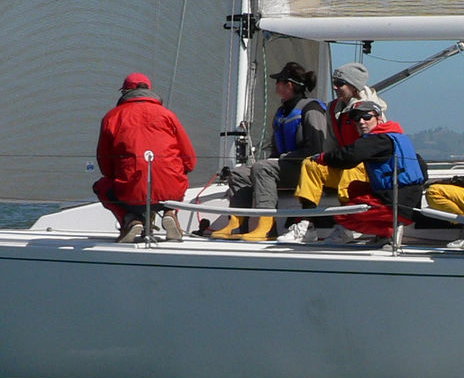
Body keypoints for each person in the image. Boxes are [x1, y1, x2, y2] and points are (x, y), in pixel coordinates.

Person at [282, 95, 426, 245]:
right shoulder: (398, 138)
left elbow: (349, 156)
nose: (361, 122)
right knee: (355, 188)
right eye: (357, 119)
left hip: (395, 205)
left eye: (367, 117)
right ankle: (307, 221)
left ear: (379, 119)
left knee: (344, 216)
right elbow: (422, 168)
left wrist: (323, 158)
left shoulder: (377, 140)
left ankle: (388, 232)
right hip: (409, 203)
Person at [214, 61, 327, 240]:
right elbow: (275, 148)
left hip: (306, 169)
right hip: (285, 166)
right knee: (239, 173)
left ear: (289, 85)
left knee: (263, 168)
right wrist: (277, 159)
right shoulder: (282, 112)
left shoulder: (311, 109)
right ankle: (237, 225)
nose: (276, 85)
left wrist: (283, 158)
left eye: (278, 81)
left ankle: (267, 227)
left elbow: (316, 149)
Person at [93, 72, 196, 242]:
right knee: (178, 178)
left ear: (125, 91)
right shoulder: (167, 115)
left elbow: (105, 165)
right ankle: (170, 213)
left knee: (101, 186)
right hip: (169, 190)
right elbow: (189, 161)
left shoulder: (112, 117)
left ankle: (130, 220)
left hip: (131, 192)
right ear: (149, 90)